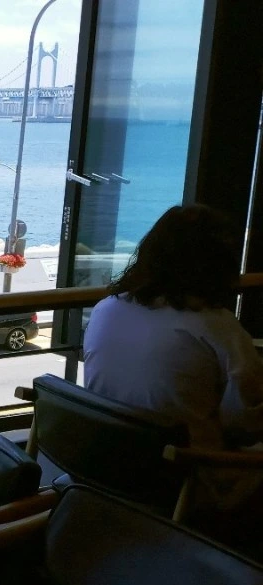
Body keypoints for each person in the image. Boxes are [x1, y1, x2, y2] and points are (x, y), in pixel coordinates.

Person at [84, 204, 263, 544]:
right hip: (183, 478)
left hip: (109, 467)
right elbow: (245, 423)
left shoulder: (107, 308)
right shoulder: (217, 327)